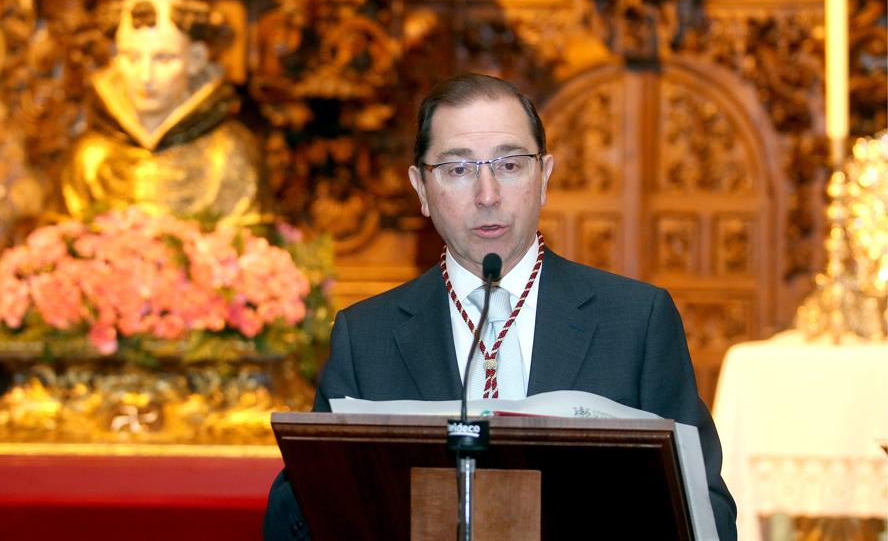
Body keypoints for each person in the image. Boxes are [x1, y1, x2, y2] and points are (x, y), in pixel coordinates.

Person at [263, 73, 736, 539]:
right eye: (458, 169)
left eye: (510, 165)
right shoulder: (366, 336)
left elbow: (708, 509)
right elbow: (297, 516)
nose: (487, 196)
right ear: (421, 189)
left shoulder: (635, 320)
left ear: (544, 177)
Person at [58, 0, 267, 225]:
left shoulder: (228, 153)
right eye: (132, 57)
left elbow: (252, 245)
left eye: (164, 58)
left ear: (196, 59)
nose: (145, 76)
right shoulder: (90, 158)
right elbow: (60, 244)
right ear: (114, 58)